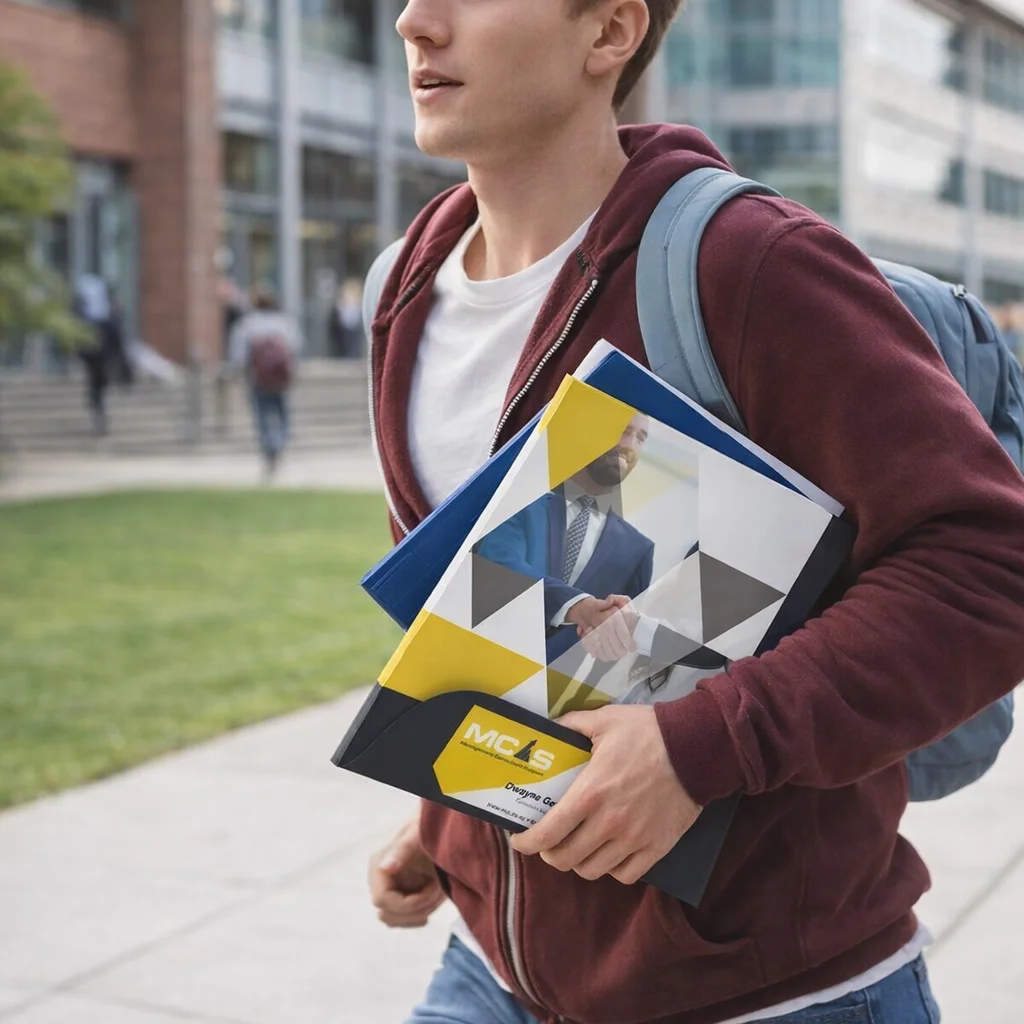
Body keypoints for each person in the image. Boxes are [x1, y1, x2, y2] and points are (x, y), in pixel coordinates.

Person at [366, 2, 1024, 1022]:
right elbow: (486, 602)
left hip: (772, 992)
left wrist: (699, 744)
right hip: (488, 975)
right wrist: (453, 816)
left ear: (610, 33)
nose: (415, 20)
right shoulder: (405, 287)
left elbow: (989, 564)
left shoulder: (749, 262)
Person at [228, 286, 302, 477]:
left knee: (262, 415)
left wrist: (238, 373)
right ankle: (279, 443)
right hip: (281, 378)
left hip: (258, 378)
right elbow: (295, 347)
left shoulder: (247, 324)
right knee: (282, 413)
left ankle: (269, 447)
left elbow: (239, 354)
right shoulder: (284, 323)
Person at [72, 274, 113, 436]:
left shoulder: (93, 314)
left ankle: (98, 413)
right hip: (96, 355)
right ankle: (98, 413)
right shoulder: (99, 313)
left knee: (97, 386)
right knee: (97, 386)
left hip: (96, 356)